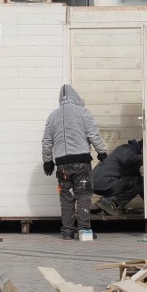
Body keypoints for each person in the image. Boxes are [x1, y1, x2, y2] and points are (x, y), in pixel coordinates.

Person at [42, 84, 107, 240]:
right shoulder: (83, 112)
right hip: (81, 162)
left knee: (66, 196)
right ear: (77, 98)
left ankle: (67, 231)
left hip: (62, 164)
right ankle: (84, 231)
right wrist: (102, 152)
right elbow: (93, 135)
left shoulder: (52, 116)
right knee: (83, 195)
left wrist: (47, 161)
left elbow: (46, 142)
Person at [92, 139, 143, 216]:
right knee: (138, 182)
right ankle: (107, 202)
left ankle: (111, 204)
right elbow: (129, 160)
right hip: (104, 181)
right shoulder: (127, 148)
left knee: (138, 182)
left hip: (100, 183)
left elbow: (142, 185)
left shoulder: (129, 152)